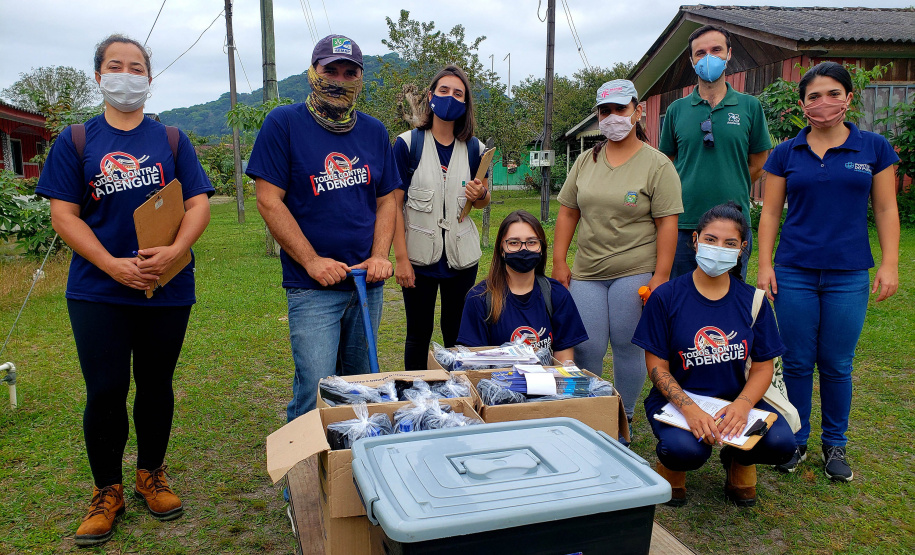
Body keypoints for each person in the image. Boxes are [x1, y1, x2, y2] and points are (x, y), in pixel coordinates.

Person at [35, 34, 214, 546]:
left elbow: (198, 203)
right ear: (99, 76)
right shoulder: (76, 141)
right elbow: (63, 214)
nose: (127, 75)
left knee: (156, 384)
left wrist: (173, 253)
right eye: (116, 66)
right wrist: (113, 266)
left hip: (166, 287)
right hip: (99, 290)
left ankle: (150, 477)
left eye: (137, 67)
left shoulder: (173, 140)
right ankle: (106, 491)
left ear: (149, 79)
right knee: (107, 389)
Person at [757, 62, 900, 481]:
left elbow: (887, 208)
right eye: (815, 96)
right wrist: (764, 265)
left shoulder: (873, 148)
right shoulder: (786, 152)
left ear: (849, 98)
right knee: (798, 361)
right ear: (803, 104)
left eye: (834, 93)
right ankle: (796, 440)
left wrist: (889, 263)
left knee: (837, 363)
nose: (824, 103)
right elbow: (768, 214)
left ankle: (834, 444)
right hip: (794, 271)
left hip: (848, 274)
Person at [246, 35, 399, 421]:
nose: (339, 80)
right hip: (313, 289)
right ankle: (301, 476)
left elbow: (387, 200)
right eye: (330, 70)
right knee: (316, 385)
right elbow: (268, 199)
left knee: (362, 387)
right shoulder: (283, 124)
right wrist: (312, 261)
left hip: (367, 284)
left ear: (360, 79)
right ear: (313, 71)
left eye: (350, 73)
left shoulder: (374, 131)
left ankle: (350, 470)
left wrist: (381, 255)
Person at [632, 202, 795, 507]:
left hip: (737, 401)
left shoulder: (753, 301)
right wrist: (690, 409)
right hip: (678, 402)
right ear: (695, 240)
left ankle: (738, 457)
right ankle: (673, 468)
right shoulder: (666, 297)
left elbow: (763, 367)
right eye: (710, 239)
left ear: (741, 248)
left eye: (729, 243)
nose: (718, 248)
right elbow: (656, 366)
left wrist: (743, 406)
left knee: (783, 445)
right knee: (685, 450)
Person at [553, 79, 682, 424]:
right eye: (605, 111)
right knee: (586, 347)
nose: (612, 117)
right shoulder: (585, 161)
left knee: (628, 347)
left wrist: (661, 277)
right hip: (587, 272)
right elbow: (568, 211)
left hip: (635, 269)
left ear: (637, 112)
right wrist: (559, 261)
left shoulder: (657, 165)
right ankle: (586, 414)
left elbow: (668, 223)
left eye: (620, 109)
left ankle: (621, 417)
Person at [392, 65, 491, 370]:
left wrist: (480, 195)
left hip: (461, 259)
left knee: (456, 335)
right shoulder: (408, 144)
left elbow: (484, 200)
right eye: (444, 91)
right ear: (431, 95)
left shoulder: (476, 149)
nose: (450, 97)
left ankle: (457, 396)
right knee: (418, 334)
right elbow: (394, 205)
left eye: (458, 93)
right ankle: (415, 397)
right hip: (419, 259)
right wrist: (402, 259)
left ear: (466, 102)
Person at [659, 25, 772, 280]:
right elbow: (666, 163)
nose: (708, 57)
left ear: (729, 54)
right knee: (681, 296)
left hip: (733, 225)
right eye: (700, 53)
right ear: (691, 60)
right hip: (683, 224)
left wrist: (730, 183)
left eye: (716, 50)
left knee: (730, 299)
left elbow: (758, 163)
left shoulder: (749, 106)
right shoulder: (676, 110)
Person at [458, 210, 588, 361]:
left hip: (546, 383)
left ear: (541, 248)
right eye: (514, 243)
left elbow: (564, 359)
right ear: (501, 249)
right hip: (496, 383)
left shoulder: (557, 294)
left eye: (532, 242)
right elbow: (475, 364)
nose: (523, 249)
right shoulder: (478, 299)